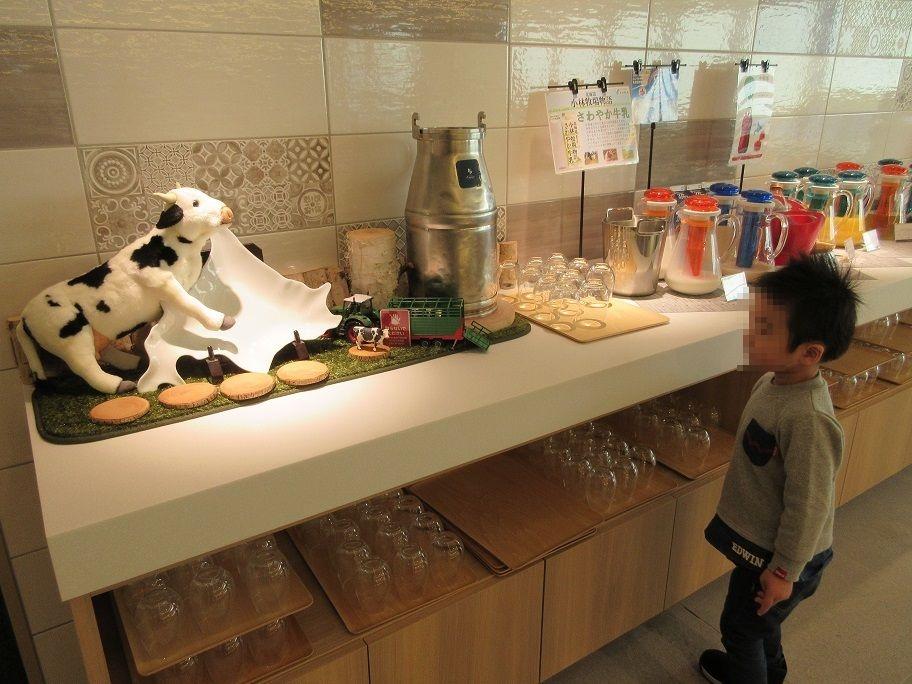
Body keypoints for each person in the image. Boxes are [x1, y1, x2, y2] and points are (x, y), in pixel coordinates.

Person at [699, 254, 860, 683]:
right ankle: (772, 674)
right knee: (761, 623)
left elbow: (810, 505)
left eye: (765, 329)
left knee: (741, 629)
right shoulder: (773, 381)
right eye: (754, 321)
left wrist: (783, 571)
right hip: (767, 549)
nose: (750, 334)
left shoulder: (808, 419)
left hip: (784, 557)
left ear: (809, 352)